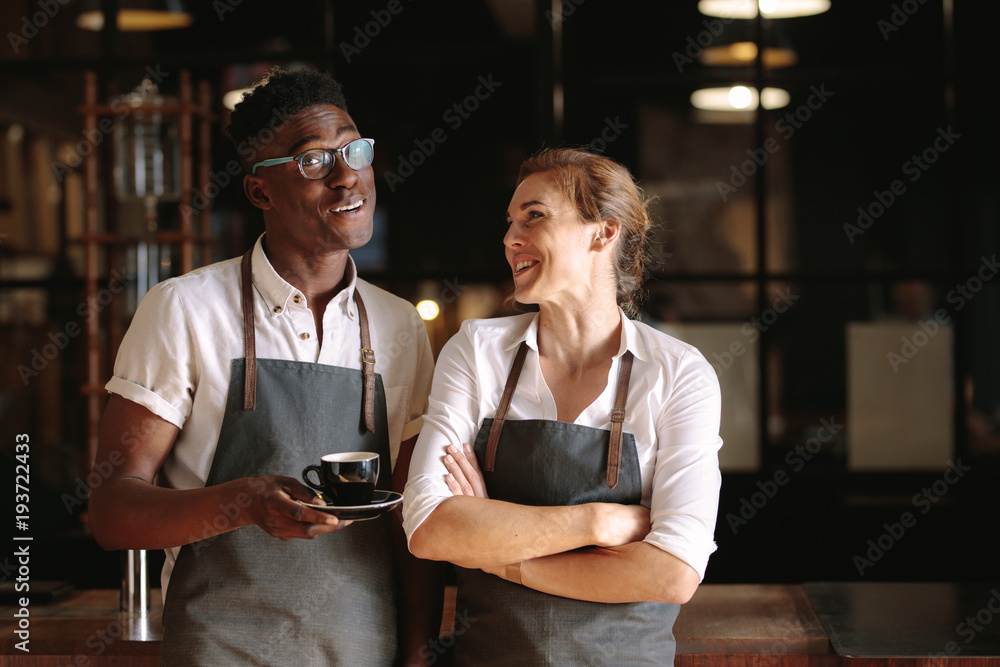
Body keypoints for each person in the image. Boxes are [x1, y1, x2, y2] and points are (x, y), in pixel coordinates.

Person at [89, 68, 441, 666]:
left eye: (354, 149)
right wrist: (245, 502)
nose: (348, 174)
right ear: (260, 193)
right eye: (313, 161)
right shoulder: (184, 309)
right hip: (219, 649)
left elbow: (415, 524)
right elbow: (112, 512)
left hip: (362, 649)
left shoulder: (399, 325)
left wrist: (417, 657)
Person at [403, 148, 722, 665]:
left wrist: (498, 554)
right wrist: (597, 523)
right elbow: (429, 529)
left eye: (535, 216)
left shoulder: (678, 373)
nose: (510, 239)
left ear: (603, 233)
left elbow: (672, 572)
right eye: (509, 222)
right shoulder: (476, 351)